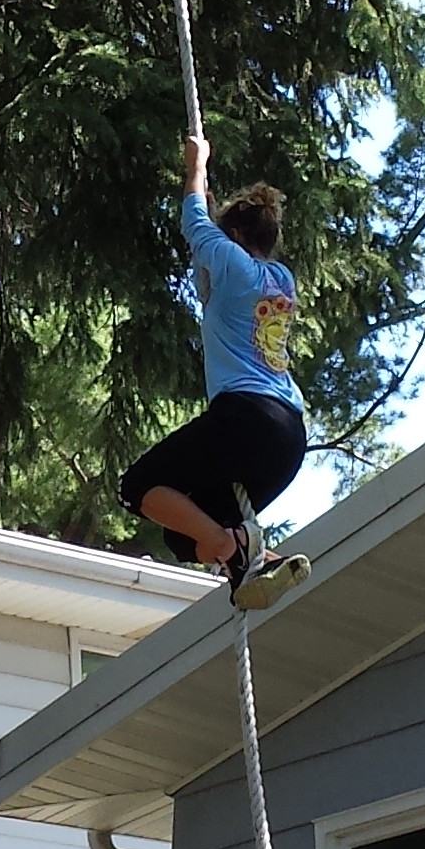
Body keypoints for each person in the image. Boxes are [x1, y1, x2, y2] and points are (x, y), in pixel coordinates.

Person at [121, 135, 315, 609]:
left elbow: (194, 221)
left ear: (238, 239)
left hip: (247, 418)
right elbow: (210, 275)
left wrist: (197, 164)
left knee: (137, 488)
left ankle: (232, 547)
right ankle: (254, 559)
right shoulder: (281, 280)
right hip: (288, 438)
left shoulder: (235, 263)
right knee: (183, 539)